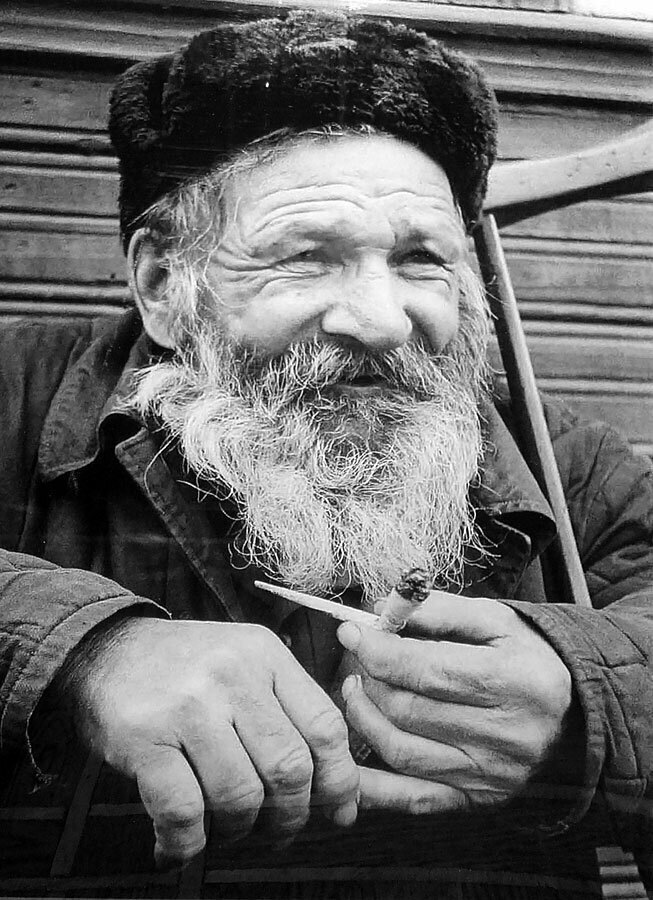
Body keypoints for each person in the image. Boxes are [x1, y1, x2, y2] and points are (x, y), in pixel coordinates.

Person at [0, 11, 651, 899]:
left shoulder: (575, 467)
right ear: (162, 283)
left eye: (420, 259)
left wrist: (589, 702)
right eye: (306, 257)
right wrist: (80, 655)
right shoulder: (19, 397)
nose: (380, 321)